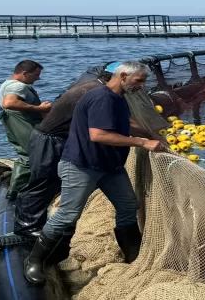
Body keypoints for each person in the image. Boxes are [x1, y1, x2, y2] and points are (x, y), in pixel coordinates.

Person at [23, 61, 165, 285]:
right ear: (123, 76)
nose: (143, 86)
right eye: (139, 81)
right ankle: (34, 261)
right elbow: (99, 135)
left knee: (128, 206)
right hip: (83, 165)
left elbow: (120, 126)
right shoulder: (101, 98)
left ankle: (134, 257)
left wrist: (151, 133)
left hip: (109, 166)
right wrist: (143, 142)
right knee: (67, 215)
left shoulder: (117, 98)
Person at [0, 60, 51, 201]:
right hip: (22, 124)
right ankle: (15, 192)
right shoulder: (18, 86)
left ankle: (18, 189)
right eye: (36, 75)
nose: (38, 78)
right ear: (25, 73)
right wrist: (40, 108)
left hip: (14, 125)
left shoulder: (6, 84)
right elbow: (8, 103)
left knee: (26, 154)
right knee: (30, 156)